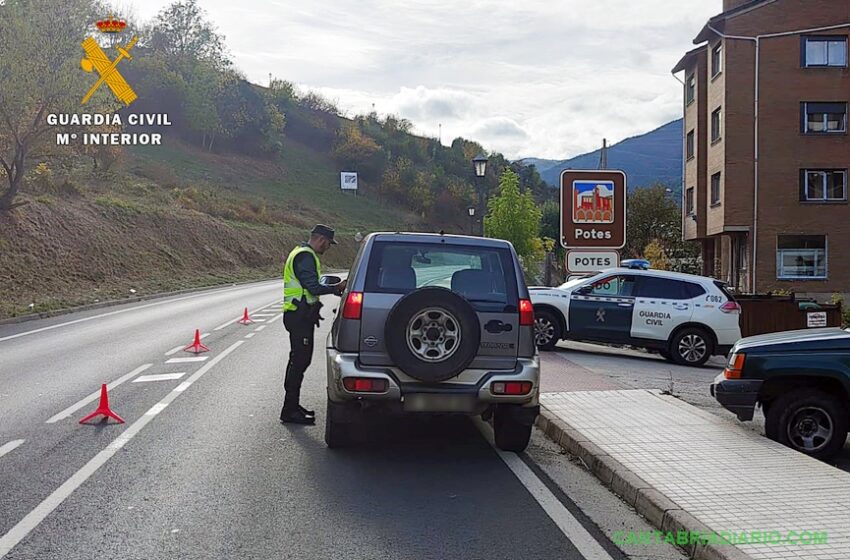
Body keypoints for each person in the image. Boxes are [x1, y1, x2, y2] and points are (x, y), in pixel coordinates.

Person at [280, 224, 347, 425]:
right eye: (328, 244)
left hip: (299, 315)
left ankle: (292, 406)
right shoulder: (306, 256)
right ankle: (289, 409)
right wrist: (337, 288)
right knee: (299, 361)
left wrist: (314, 306)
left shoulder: (300, 252)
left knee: (299, 360)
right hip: (297, 316)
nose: (327, 248)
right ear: (320, 240)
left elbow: (306, 290)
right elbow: (313, 286)